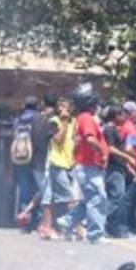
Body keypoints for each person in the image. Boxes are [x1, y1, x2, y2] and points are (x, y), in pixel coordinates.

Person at [58, 91, 109, 243]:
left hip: (85, 165)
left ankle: (67, 220)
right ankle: (94, 235)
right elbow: (90, 139)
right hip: (89, 166)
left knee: (89, 199)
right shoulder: (87, 118)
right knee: (98, 199)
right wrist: (102, 153)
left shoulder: (81, 118)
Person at [38, 97, 78, 240]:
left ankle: (50, 228)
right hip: (57, 162)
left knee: (53, 198)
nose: (61, 108)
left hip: (70, 163)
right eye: (59, 106)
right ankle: (74, 229)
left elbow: (75, 141)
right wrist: (65, 122)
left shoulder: (75, 122)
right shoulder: (54, 121)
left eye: (65, 106)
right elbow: (58, 139)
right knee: (69, 198)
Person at [102, 104, 136, 238]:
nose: (125, 117)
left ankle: (112, 227)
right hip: (114, 168)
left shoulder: (116, 129)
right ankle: (105, 224)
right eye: (122, 114)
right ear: (116, 115)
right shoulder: (110, 129)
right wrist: (130, 158)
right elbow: (112, 149)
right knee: (117, 197)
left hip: (119, 167)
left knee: (118, 197)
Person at [11, 95, 48, 230]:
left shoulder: (18, 120)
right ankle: (37, 221)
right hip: (37, 159)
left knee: (24, 190)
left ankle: (24, 222)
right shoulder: (39, 119)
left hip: (21, 158)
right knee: (39, 190)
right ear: (37, 106)